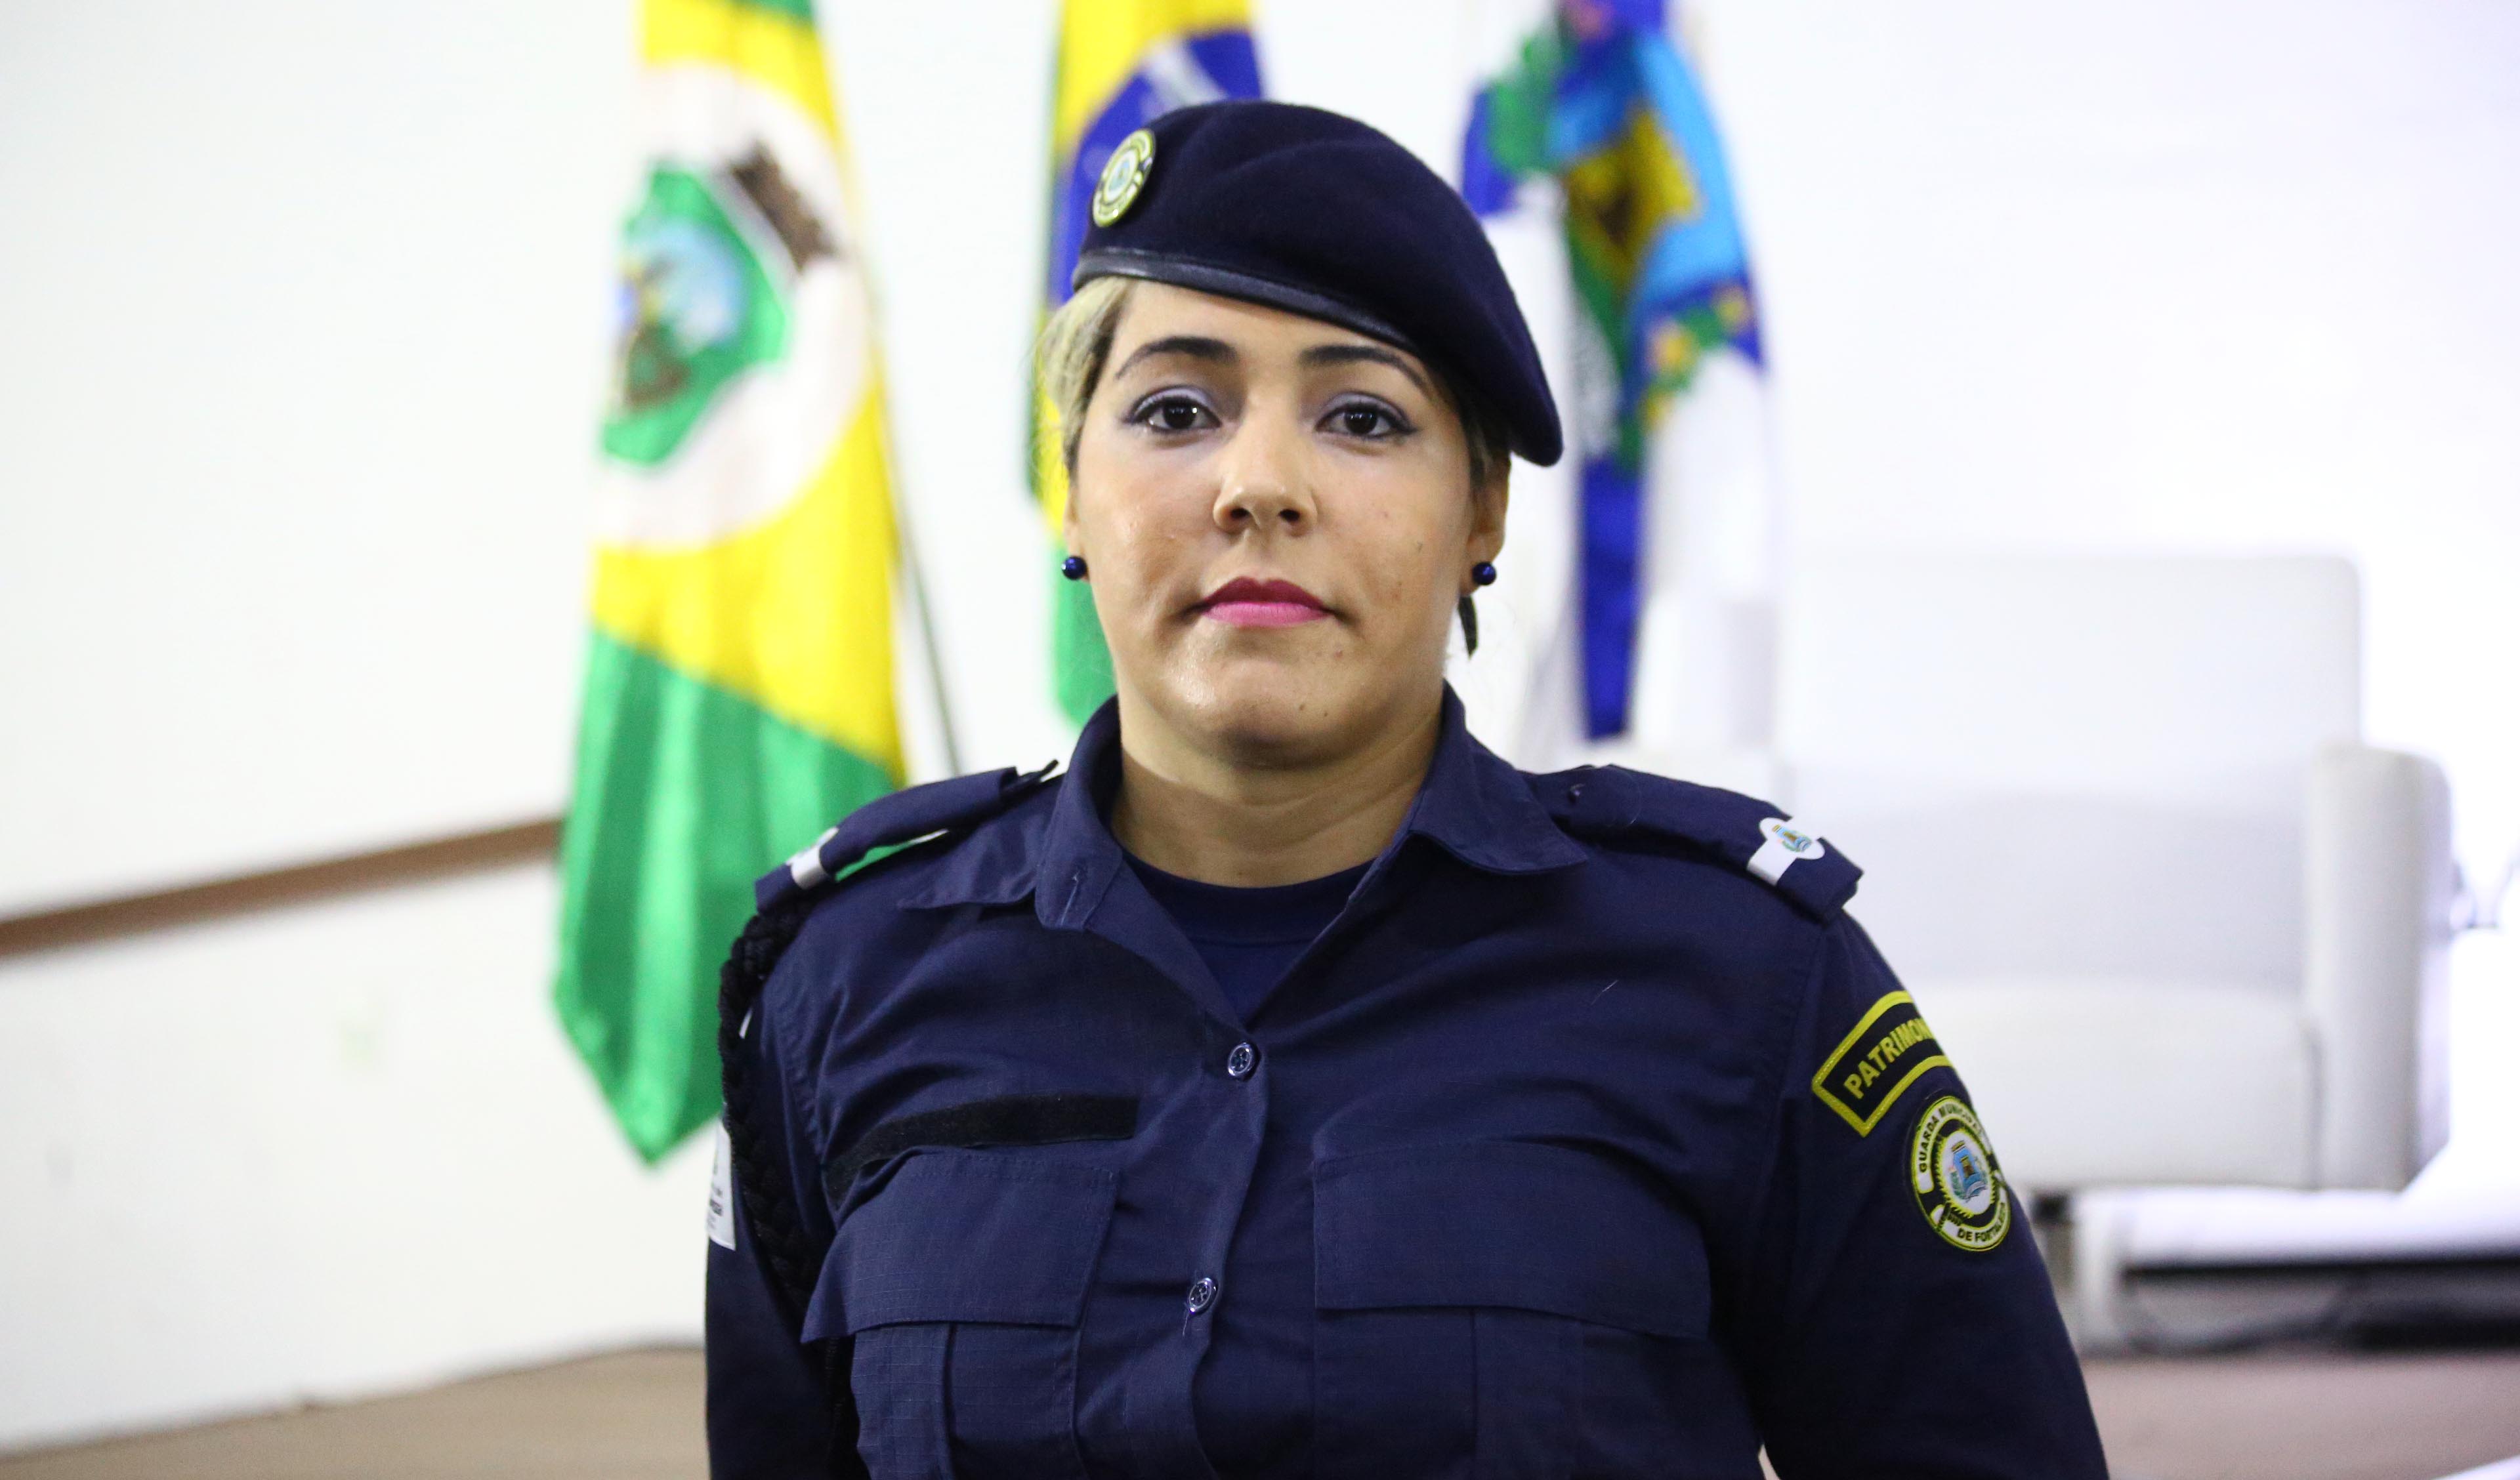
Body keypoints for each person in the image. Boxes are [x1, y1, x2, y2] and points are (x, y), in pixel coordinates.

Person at [704, 100, 2108, 1480]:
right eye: (1176, 410)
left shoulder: (1746, 980)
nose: (1259, 487)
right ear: (1070, 488)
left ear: (1481, 514)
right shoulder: (845, 983)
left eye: (1363, 418)